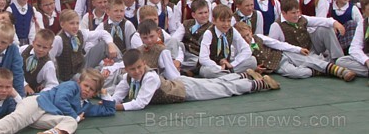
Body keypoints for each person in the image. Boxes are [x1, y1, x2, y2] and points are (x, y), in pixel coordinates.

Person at [112, 49, 278, 111]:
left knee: (222, 90)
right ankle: (243, 75)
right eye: (132, 69)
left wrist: (116, 107)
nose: (136, 71)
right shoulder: (128, 78)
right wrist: (109, 102)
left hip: (184, 91)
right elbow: (118, 94)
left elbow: (140, 103)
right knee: (217, 83)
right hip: (182, 83)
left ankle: (259, 84)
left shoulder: (149, 77)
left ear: (144, 64)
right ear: (126, 69)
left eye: (139, 67)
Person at [0, 69, 115, 134]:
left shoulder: (85, 106)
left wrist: (104, 93)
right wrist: (75, 116)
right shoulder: (71, 86)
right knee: (19, 119)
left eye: (92, 89)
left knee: (71, 122)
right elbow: (61, 100)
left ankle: (51, 133)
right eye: (86, 85)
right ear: (79, 82)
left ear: (94, 93)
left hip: (45, 116)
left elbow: (108, 110)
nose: (87, 90)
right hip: (37, 102)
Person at [234, 22, 355, 81]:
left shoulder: (259, 37)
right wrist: (255, 69)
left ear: (251, 31)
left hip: (282, 54)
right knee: (296, 73)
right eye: (243, 37)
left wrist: (298, 49)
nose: (247, 39)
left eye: (248, 35)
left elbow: (278, 44)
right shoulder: (240, 49)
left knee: (308, 60)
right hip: (276, 66)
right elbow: (243, 62)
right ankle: (320, 71)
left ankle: (339, 70)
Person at [198, 5, 256, 78]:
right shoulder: (209, 33)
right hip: (213, 66)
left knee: (252, 61)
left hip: (228, 66)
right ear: (214, 20)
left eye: (229, 21)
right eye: (222, 21)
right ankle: (237, 76)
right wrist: (219, 67)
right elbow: (203, 59)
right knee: (206, 71)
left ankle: (228, 76)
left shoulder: (232, 30)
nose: (226, 24)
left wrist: (232, 64)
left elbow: (247, 49)